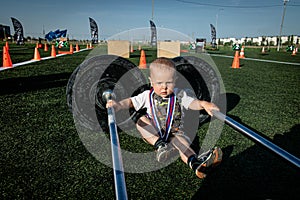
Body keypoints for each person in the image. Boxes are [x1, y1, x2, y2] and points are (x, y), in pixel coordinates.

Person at [106, 57, 222, 179]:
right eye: (159, 83)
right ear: (151, 81)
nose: (164, 87)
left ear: (175, 81)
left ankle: (195, 163)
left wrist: (203, 104)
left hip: (176, 132)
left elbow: (192, 103)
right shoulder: (147, 95)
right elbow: (130, 102)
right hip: (154, 132)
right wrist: (118, 105)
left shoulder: (179, 94)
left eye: (169, 83)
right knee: (141, 121)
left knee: (183, 144)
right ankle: (160, 146)